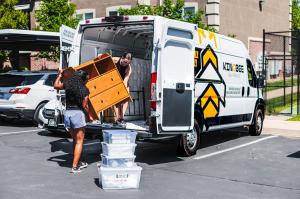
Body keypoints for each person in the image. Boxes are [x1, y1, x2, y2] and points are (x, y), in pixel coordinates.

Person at [54, 69, 93, 173]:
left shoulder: (68, 84)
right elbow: (85, 106)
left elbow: (56, 86)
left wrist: (59, 75)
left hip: (68, 114)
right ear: (83, 79)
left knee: (75, 141)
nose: (87, 81)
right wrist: (89, 116)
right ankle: (74, 167)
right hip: (77, 114)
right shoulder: (85, 89)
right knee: (80, 142)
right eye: (87, 79)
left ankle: (78, 162)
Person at [112, 52, 133, 126]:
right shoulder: (115, 60)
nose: (126, 63)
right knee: (116, 101)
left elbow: (125, 81)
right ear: (122, 58)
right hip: (115, 82)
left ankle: (122, 118)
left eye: (128, 62)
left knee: (125, 99)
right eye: (125, 61)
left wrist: (122, 93)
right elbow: (106, 60)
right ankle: (118, 118)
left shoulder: (129, 68)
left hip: (124, 83)